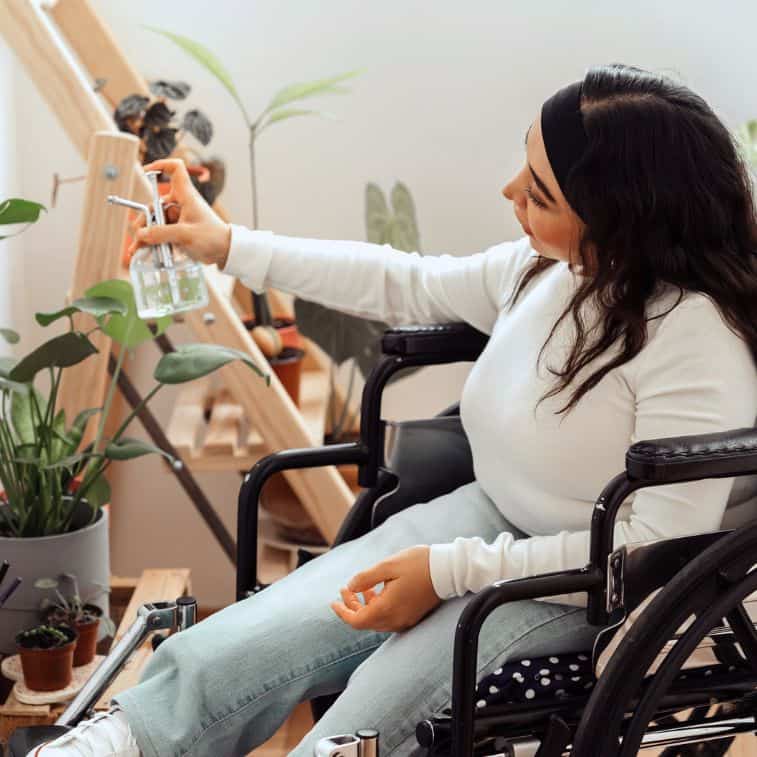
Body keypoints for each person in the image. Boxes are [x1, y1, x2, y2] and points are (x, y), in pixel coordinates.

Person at [30, 62, 757, 756]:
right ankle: (128, 738)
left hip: (584, 586)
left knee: (363, 722)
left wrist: (447, 573)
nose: (510, 194)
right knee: (268, 628)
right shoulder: (549, 270)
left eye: (539, 193)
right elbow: (399, 278)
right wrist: (226, 245)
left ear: (618, 219)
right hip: (490, 517)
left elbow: (646, 556)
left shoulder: (693, 338)